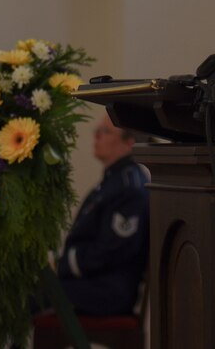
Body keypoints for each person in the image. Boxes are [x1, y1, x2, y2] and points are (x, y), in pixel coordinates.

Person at [56, 113, 149, 316]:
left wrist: (68, 265)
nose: (97, 136)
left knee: (31, 295)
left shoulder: (128, 188)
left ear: (128, 144)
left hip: (108, 290)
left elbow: (113, 251)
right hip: (94, 281)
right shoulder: (113, 180)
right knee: (30, 289)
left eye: (105, 131)